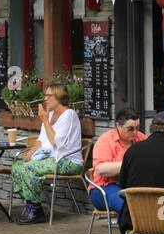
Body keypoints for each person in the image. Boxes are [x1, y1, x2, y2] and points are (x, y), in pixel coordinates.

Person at [11, 84, 83, 224]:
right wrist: (32, 151)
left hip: (67, 161)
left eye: (49, 96)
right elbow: (41, 140)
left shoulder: (70, 115)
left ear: (59, 96)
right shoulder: (49, 114)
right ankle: (32, 206)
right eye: (45, 95)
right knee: (17, 167)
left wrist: (44, 119)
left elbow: (57, 143)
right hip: (50, 158)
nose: (45, 99)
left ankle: (35, 210)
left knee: (28, 168)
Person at [88, 107, 145, 215]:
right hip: (104, 187)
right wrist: (130, 164)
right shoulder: (106, 140)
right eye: (130, 129)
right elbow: (101, 169)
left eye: (137, 127)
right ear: (118, 126)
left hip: (133, 185)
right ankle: (131, 231)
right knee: (127, 205)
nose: (135, 132)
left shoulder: (141, 138)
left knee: (160, 199)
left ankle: (157, 229)